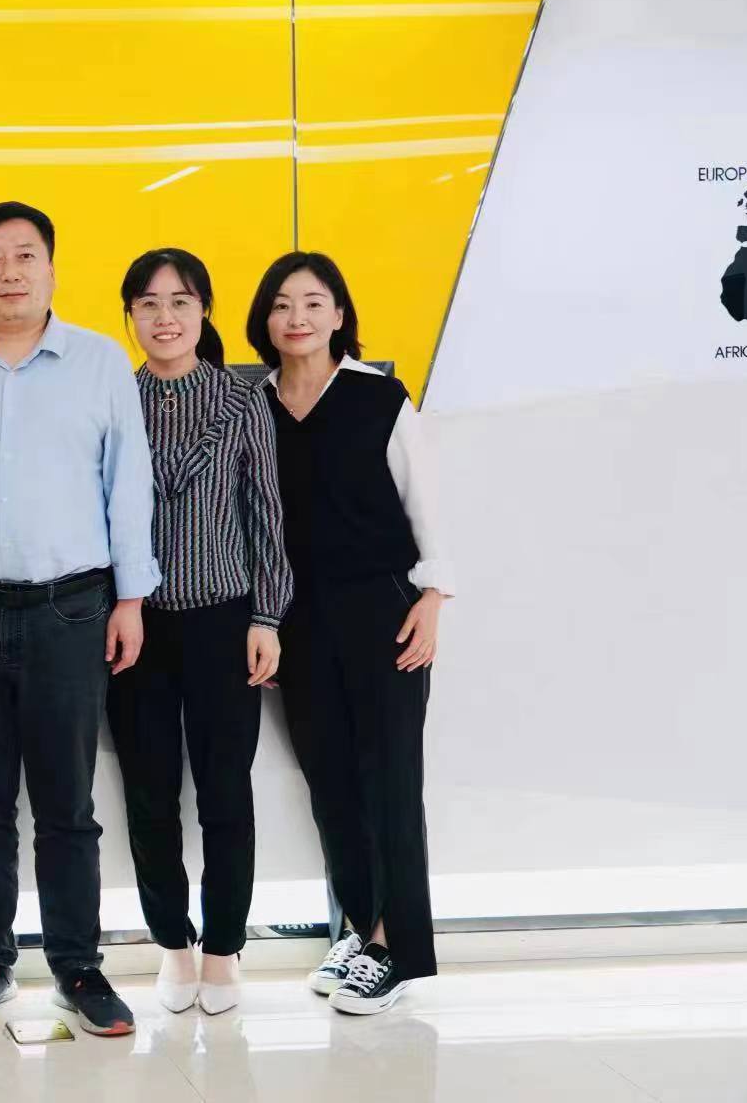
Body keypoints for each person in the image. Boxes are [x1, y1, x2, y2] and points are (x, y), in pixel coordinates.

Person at [0, 201, 158, 1038]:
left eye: (25, 255)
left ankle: (77, 967)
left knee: (66, 802)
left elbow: (128, 482)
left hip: (72, 606)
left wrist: (132, 599)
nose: (10, 272)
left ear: (52, 269)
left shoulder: (100, 363)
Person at [246, 251, 454, 1016]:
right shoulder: (255, 406)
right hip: (298, 618)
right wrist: (263, 622)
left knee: (390, 778)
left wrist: (432, 596)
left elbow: (426, 502)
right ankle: (361, 929)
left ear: (339, 315)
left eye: (313, 302)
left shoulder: (378, 397)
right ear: (265, 321)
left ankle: (396, 946)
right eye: (281, 304)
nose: (296, 317)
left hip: (384, 610)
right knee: (331, 782)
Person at [108, 248, 293, 1017]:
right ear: (130, 316)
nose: (165, 318)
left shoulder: (242, 399)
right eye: (149, 304)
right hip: (136, 628)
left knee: (225, 794)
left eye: (180, 302)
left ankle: (223, 950)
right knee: (149, 795)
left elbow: (266, 513)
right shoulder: (113, 401)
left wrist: (267, 616)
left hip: (224, 622)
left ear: (204, 311)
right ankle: (172, 946)